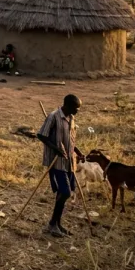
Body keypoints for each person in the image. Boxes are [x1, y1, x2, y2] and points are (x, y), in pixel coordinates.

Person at [37, 95, 83, 238]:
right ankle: (52, 224)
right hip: (56, 161)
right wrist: (55, 148)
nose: (77, 111)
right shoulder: (53, 117)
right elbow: (41, 135)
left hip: (69, 162)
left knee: (63, 193)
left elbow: (70, 140)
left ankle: (56, 223)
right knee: (65, 192)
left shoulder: (71, 118)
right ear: (67, 105)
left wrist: (78, 152)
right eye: (76, 108)